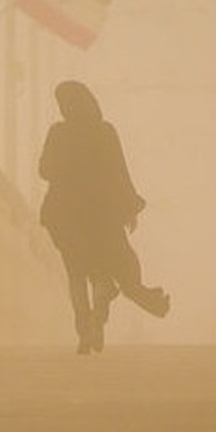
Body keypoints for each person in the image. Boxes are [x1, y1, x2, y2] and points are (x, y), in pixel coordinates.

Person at [38, 80, 169, 353]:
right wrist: (130, 209)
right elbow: (120, 173)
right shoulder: (105, 132)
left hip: (64, 215)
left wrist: (66, 171)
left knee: (75, 274)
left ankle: (84, 331)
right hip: (100, 215)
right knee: (100, 272)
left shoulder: (58, 133)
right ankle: (98, 321)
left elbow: (45, 170)